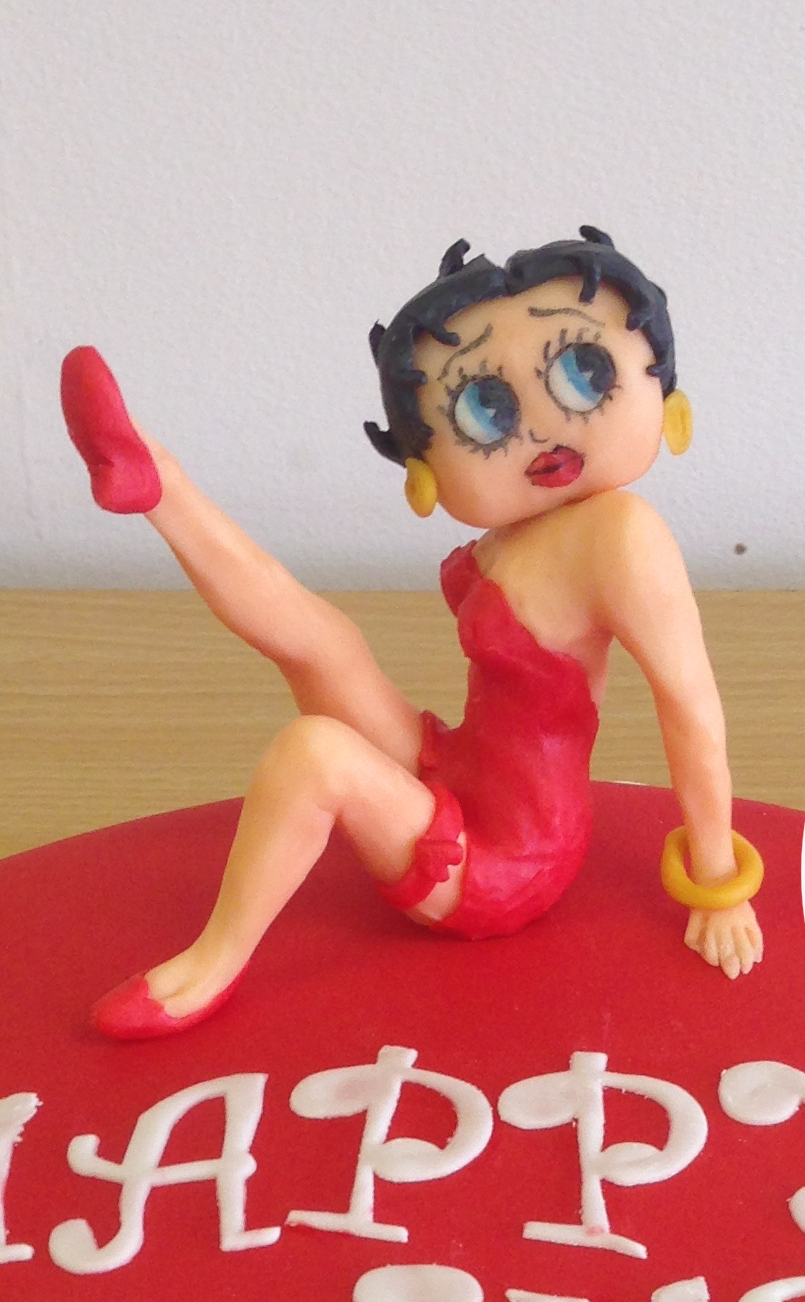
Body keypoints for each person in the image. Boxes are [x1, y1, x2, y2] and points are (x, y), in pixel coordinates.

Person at [62, 229, 764, 1037]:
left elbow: (690, 708)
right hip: (460, 772)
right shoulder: (524, 532)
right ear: (424, 471)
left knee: (315, 753)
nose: (542, 429)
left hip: (511, 859)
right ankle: (157, 484)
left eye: (584, 371)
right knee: (325, 643)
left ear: (664, 391)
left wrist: (719, 885)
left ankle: (210, 964)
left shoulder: (623, 537)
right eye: (486, 409)